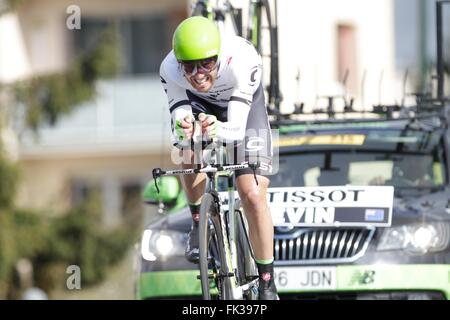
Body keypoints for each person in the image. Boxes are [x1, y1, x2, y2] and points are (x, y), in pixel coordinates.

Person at [159, 16, 278, 300]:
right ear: (179, 64)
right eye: (190, 66)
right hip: (200, 106)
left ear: (219, 57)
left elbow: (235, 131)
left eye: (207, 64)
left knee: (251, 193)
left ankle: (267, 281)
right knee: (187, 147)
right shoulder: (169, 69)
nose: (199, 74)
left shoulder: (242, 59)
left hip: (244, 109)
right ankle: (198, 221)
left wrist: (215, 128)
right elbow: (178, 125)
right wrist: (185, 128)